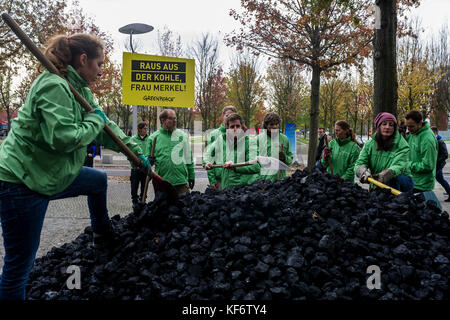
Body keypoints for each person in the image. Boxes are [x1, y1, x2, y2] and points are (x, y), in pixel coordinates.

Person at [0, 33, 149, 300]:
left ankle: (103, 240)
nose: (102, 71)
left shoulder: (81, 91)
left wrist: (136, 152)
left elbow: (107, 128)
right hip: (20, 182)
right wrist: (95, 122)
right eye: (100, 64)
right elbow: (63, 138)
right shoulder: (53, 86)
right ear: (83, 60)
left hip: (49, 174)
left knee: (97, 181)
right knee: (19, 267)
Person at [355, 112, 414, 192]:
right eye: (384, 124)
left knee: (393, 179)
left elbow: (398, 166)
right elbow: (360, 163)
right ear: (378, 126)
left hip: (401, 183)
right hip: (378, 184)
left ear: (394, 128)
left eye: (391, 124)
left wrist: (386, 174)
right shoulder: (369, 144)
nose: (387, 127)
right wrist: (363, 172)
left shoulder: (402, 145)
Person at [204, 113, 261, 189]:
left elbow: (255, 166)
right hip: (225, 187)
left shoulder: (250, 142)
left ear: (242, 127)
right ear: (227, 128)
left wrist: (235, 167)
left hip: (243, 189)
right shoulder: (221, 139)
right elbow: (208, 154)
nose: (235, 129)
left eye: (237, 126)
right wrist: (207, 162)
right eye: (232, 127)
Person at [146, 109, 195, 195]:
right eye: (172, 118)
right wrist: (148, 161)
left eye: (175, 118)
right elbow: (146, 163)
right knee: (163, 208)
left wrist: (191, 176)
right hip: (162, 182)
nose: (175, 121)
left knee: (184, 207)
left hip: (181, 181)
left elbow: (188, 157)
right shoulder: (153, 138)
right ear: (162, 120)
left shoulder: (182, 136)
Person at [203, 105, 237, 190]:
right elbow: (209, 157)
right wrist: (212, 180)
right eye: (227, 115)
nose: (229, 117)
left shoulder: (239, 133)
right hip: (220, 178)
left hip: (235, 178)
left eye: (232, 115)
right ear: (223, 116)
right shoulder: (214, 134)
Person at [404, 110, 438, 193]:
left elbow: (428, 166)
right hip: (412, 181)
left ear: (420, 123)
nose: (408, 129)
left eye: (411, 126)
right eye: (407, 126)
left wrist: (408, 165)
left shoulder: (427, 139)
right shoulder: (414, 133)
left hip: (422, 185)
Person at [255, 112, 293, 182]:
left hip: (280, 179)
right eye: (271, 124)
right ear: (266, 125)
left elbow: (290, 158)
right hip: (264, 179)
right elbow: (254, 160)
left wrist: (285, 158)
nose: (275, 126)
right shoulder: (258, 139)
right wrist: (257, 177)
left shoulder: (284, 139)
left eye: (276, 124)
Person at [130, 121, 150, 209]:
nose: (146, 130)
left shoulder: (150, 139)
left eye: (147, 128)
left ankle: (143, 201)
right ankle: (135, 201)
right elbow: (130, 151)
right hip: (135, 167)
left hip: (145, 168)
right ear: (139, 129)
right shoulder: (133, 139)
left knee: (144, 185)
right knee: (134, 186)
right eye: (145, 128)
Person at [431, 126, 450, 202]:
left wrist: (436, 161)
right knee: (440, 180)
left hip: (438, 165)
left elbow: (445, 154)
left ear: (435, 132)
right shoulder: (435, 140)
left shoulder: (440, 141)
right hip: (436, 165)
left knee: (441, 180)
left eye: (431, 132)